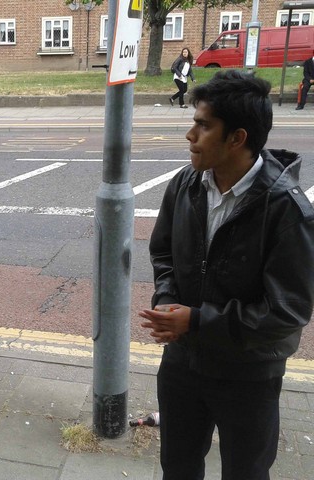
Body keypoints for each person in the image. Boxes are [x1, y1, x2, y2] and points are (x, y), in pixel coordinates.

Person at [139, 69, 314, 480]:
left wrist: (198, 321)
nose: (190, 136)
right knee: (177, 466)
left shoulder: (286, 210)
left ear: (237, 138)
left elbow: (287, 312)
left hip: (248, 374)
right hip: (183, 363)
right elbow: (163, 251)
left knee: (245, 472)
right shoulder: (186, 184)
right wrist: (167, 301)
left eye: (203, 126)